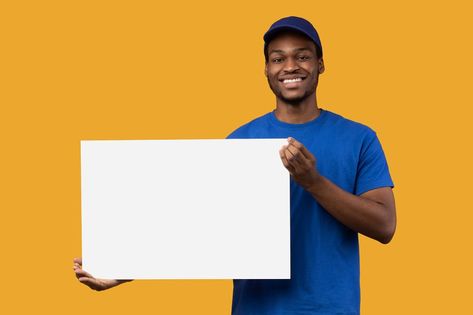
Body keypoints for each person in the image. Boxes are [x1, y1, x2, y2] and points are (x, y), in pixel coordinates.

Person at [74, 16, 396, 315]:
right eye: (278, 58)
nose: (290, 66)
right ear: (266, 69)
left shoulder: (359, 138)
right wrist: (122, 268)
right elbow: (197, 226)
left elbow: (384, 226)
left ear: (321, 64)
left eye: (302, 55)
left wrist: (313, 182)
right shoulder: (240, 142)